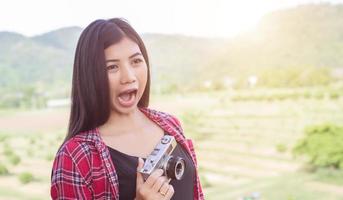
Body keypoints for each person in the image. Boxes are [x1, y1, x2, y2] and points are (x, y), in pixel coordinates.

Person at [50, 18, 204, 200]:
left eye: (136, 61)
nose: (129, 77)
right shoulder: (75, 157)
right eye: (112, 67)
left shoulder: (170, 124)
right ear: (91, 75)